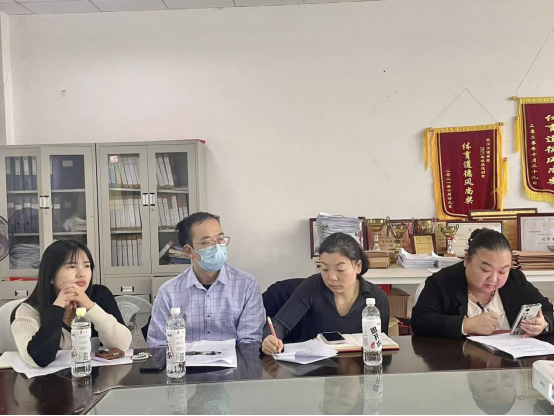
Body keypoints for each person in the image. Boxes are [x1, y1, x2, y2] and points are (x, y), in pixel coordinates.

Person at [261, 232, 390, 356]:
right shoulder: (311, 287)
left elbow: (382, 346)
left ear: (358, 266)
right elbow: (280, 324)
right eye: (324, 269)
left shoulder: (376, 298)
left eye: (340, 269)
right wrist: (270, 339)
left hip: (360, 367)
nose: (332, 277)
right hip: (313, 366)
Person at [147, 212, 265, 347]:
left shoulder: (247, 285)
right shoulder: (168, 292)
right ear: (189, 251)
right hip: (185, 360)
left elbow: (250, 342)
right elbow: (158, 345)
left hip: (234, 359)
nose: (217, 247)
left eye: (220, 239)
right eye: (207, 242)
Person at [412, 228, 554, 339]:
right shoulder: (442, 282)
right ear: (467, 260)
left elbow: (547, 310)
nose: (493, 279)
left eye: (502, 271)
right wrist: (465, 325)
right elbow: (420, 321)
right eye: (485, 270)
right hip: (457, 363)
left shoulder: (515, 280)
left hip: (509, 363)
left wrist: (543, 324)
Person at [11, 240, 132, 368]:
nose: (82, 274)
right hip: (49, 380)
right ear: (51, 276)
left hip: (94, 376)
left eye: (87, 266)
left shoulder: (99, 295)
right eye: (72, 267)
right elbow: (39, 359)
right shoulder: (28, 310)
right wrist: (58, 307)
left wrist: (90, 306)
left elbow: (122, 345)